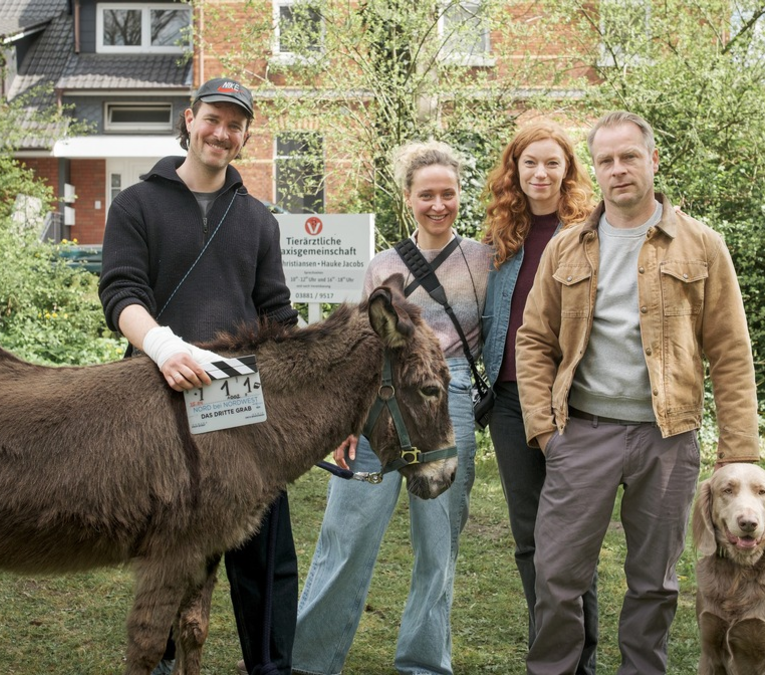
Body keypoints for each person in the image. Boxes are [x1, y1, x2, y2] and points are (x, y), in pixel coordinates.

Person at [516, 111, 760, 675]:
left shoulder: (701, 246)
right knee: (557, 578)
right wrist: (546, 431)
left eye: (629, 157)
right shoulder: (567, 247)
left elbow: (730, 351)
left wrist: (740, 451)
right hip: (582, 434)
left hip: (667, 440)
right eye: (606, 160)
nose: (618, 169)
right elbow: (533, 341)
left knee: (654, 583)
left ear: (652, 160)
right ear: (595, 170)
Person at [98, 77, 300, 675]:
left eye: (235, 125)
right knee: (169, 544)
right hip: (159, 398)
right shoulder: (136, 204)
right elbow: (121, 293)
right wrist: (161, 346)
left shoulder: (259, 219)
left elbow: (277, 313)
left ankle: (271, 666)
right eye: (213, 118)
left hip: (241, 399)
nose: (222, 132)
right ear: (189, 119)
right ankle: (157, 658)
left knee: (265, 553)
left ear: (244, 137)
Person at [291, 141, 491, 675]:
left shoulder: (484, 259)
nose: (438, 204)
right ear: (408, 198)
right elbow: (363, 349)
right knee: (346, 534)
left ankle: (424, 663)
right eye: (427, 194)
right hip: (379, 408)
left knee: (437, 545)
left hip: (448, 405)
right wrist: (347, 421)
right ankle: (309, 661)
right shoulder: (382, 265)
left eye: (448, 193)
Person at [478, 121, 599, 673]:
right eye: (530, 163)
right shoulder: (500, 237)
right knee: (529, 539)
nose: (541, 173)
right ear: (515, 171)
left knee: (572, 541)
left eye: (552, 163)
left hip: (573, 404)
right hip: (509, 402)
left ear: (568, 171)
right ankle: (550, 655)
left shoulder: (591, 233)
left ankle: (582, 659)